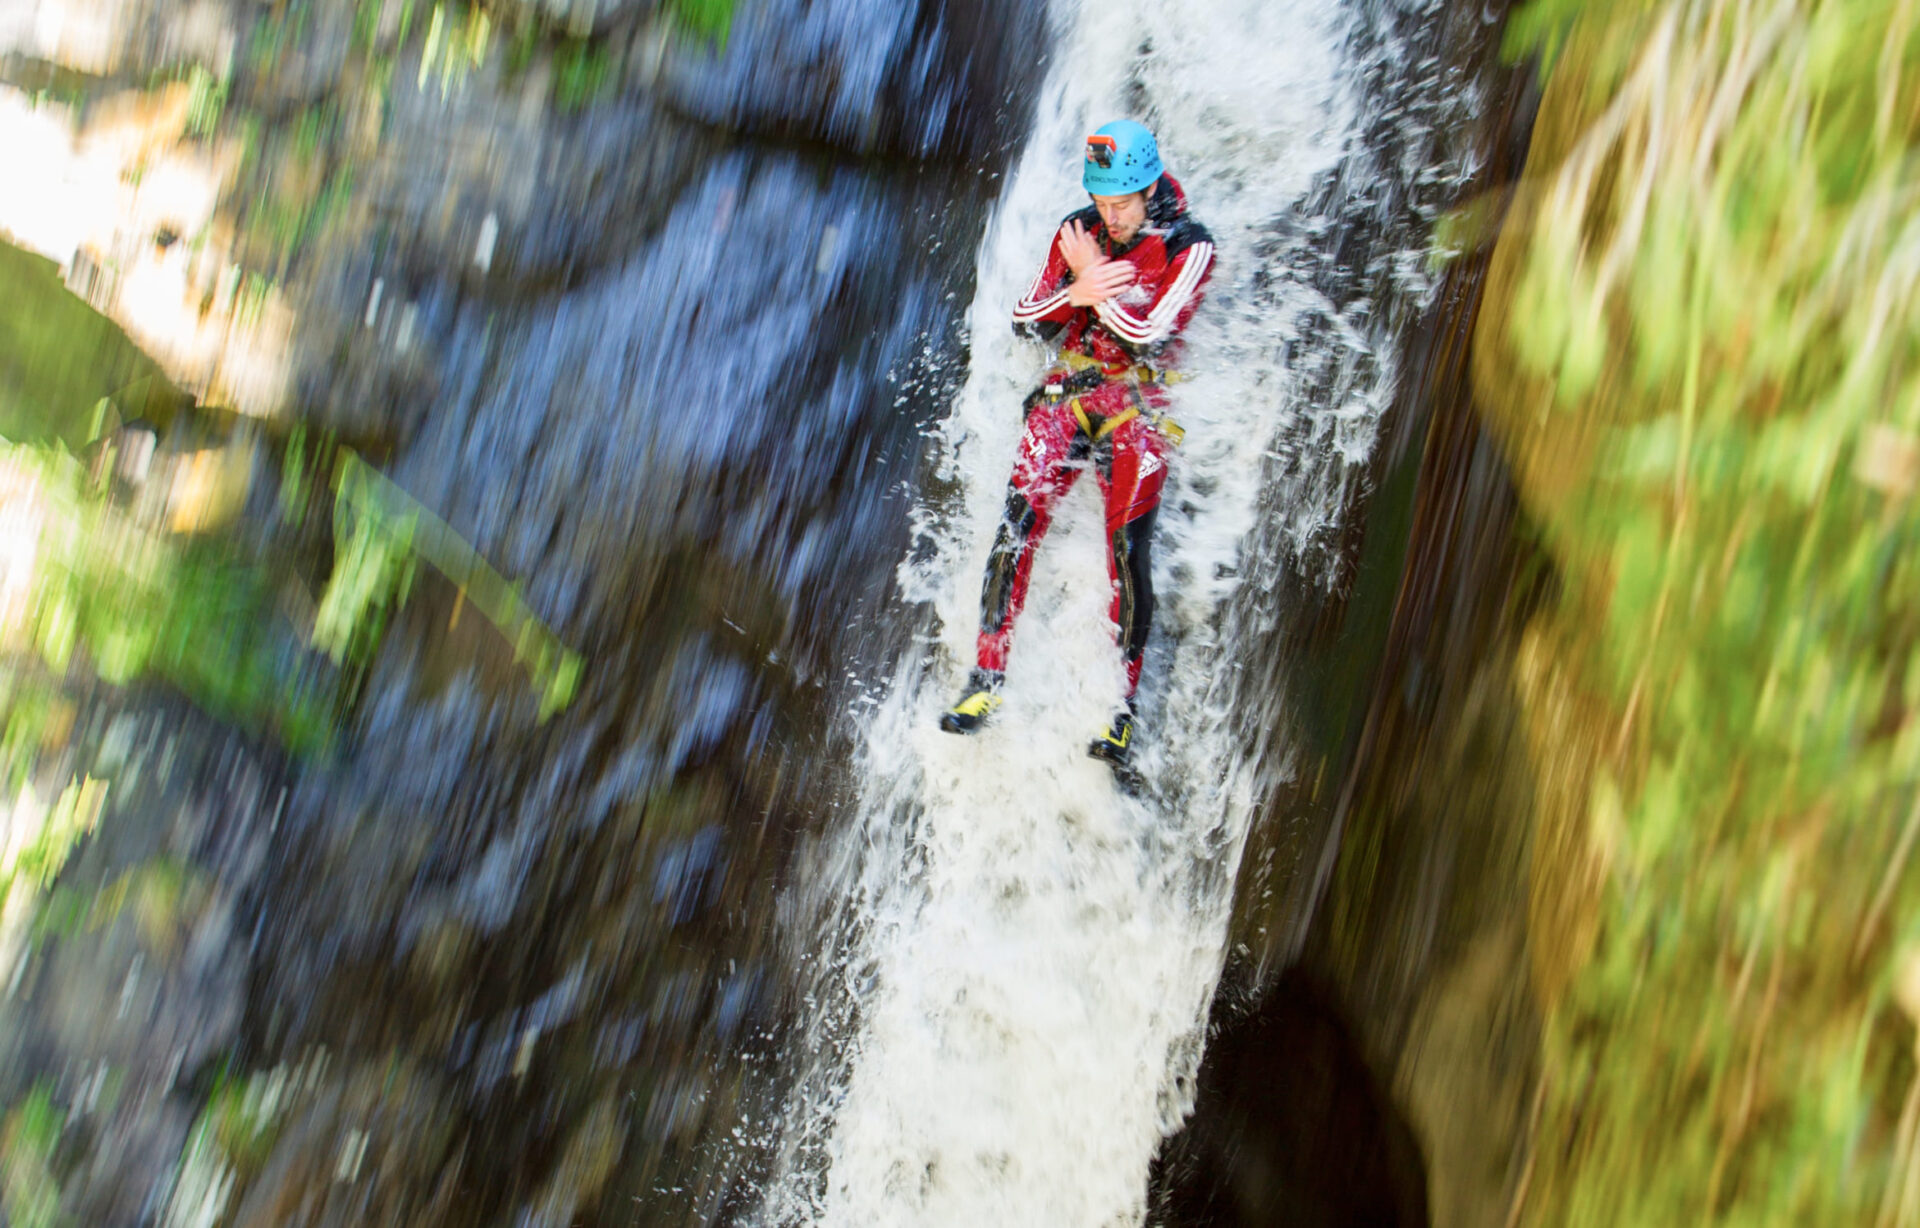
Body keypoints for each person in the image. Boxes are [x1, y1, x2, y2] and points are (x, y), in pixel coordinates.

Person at [940, 119, 1214, 768]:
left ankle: (1119, 713)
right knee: (1016, 525)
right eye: (1101, 200)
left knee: (1127, 551)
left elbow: (1149, 334)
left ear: (1150, 188)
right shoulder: (1079, 231)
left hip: (1140, 406)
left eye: (1121, 202)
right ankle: (986, 681)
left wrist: (1093, 281)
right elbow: (1027, 321)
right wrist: (1077, 288)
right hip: (1071, 391)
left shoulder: (1190, 246)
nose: (1109, 214)